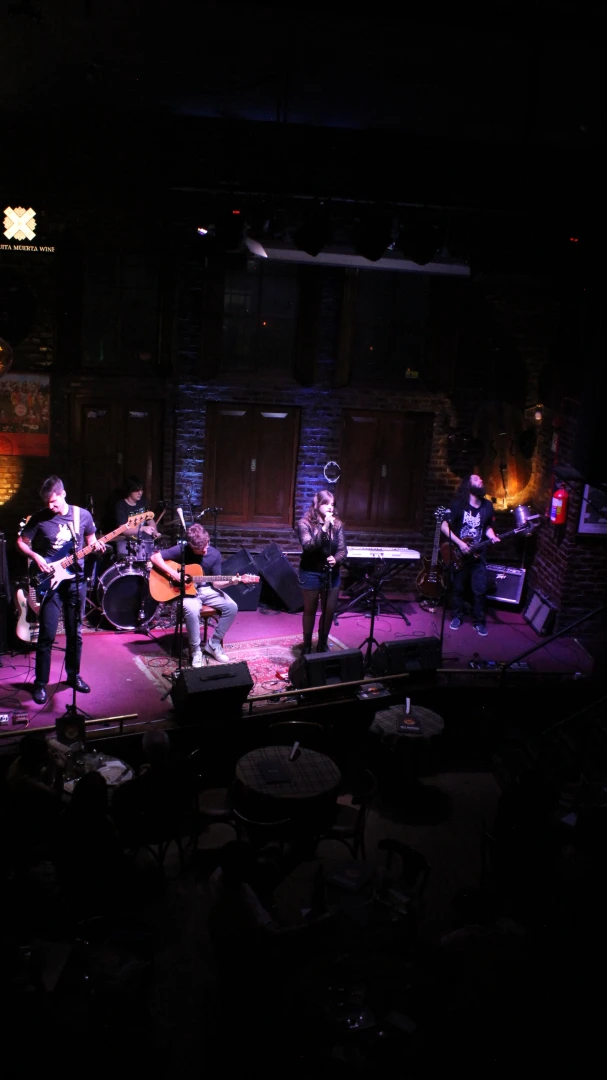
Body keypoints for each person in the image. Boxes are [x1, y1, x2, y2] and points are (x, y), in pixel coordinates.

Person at [17, 475, 106, 704]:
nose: (51, 506)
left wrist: (97, 548)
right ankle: (40, 683)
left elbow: (91, 542)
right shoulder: (39, 518)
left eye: (54, 502)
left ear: (63, 494)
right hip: (51, 582)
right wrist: (36, 556)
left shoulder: (82, 515)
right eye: (47, 503)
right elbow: (21, 542)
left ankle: (74, 676)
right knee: (47, 634)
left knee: (75, 633)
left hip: (77, 581)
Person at [150, 522, 237, 666]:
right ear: (191, 546)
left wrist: (231, 582)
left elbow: (216, 583)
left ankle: (213, 644)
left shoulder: (214, 554)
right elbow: (155, 558)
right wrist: (174, 574)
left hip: (205, 589)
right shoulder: (182, 550)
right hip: (186, 591)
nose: (205, 550)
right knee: (192, 609)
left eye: (206, 545)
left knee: (232, 607)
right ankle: (196, 650)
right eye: (200, 549)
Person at [441, 473, 500, 636]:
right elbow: (444, 526)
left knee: (479, 589)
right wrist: (460, 544)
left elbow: (487, 527)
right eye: (476, 479)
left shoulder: (487, 506)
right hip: (459, 554)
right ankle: (457, 616)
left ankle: (479, 622)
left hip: (478, 555)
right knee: (458, 588)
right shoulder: (458, 505)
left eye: (481, 478)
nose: (481, 480)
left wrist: (492, 536)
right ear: (468, 485)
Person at [296, 489, 347, 654]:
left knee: (329, 610)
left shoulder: (337, 525)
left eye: (332, 504)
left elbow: (343, 550)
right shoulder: (304, 523)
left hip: (331, 573)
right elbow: (309, 546)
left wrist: (336, 559)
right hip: (310, 571)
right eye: (326, 503)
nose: (330, 507)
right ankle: (307, 645)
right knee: (310, 610)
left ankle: (322, 643)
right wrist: (324, 528)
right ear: (317, 504)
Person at [113, 475, 160, 560]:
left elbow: (150, 520)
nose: (140, 493)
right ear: (129, 491)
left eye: (141, 490)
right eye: (137, 490)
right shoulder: (121, 506)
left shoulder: (143, 502)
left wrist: (155, 532)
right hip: (126, 542)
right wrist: (142, 528)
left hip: (143, 541)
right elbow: (123, 530)